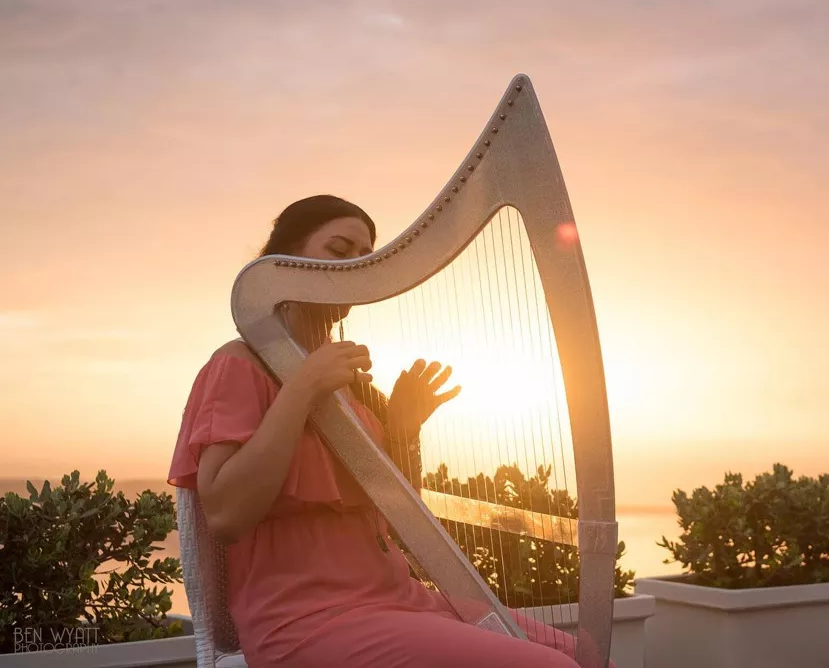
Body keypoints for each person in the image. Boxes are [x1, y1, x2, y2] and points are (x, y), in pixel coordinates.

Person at [168, 195, 602, 667]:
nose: (354, 269)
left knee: (586, 656)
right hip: (305, 619)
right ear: (285, 261)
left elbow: (399, 521)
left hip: (400, 598)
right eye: (339, 251)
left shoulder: (351, 385)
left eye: (364, 259)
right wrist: (304, 388)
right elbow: (226, 514)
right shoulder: (237, 364)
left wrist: (403, 428)